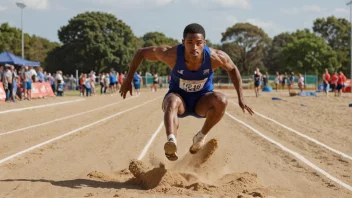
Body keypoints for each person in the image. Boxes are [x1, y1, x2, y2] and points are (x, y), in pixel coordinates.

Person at [119, 23, 254, 161]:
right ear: (183, 43)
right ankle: (171, 142)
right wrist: (128, 79)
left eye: (198, 43)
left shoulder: (215, 57)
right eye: (190, 43)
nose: (194, 47)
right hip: (179, 99)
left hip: (202, 101)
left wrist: (241, 97)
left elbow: (232, 69)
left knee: (222, 100)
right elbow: (141, 52)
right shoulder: (171, 55)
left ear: (204, 43)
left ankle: (200, 136)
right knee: (171, 102)